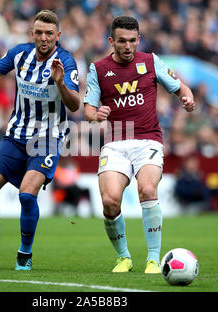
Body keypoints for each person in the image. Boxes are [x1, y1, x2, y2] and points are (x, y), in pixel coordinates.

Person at [0, 10, 80, 271]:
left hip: (46, 139)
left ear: (57, 35)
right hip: (15, 136)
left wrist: (60, 84)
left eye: (49, 33)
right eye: (39, 32)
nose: (44, 38)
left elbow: (74, 105)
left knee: (27, 194)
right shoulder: (19, 53)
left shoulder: (66, 62)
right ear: (32, 34)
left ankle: (24, 253)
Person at [83, 16, 194, 274]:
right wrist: (94, 114)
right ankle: (124, 257)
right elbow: (87, 109)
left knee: (146, 188)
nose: (128, 46)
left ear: (138, 40)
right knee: (110, 201)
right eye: (122, 41)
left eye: (133, 41)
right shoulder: (97, 69)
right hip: (115, 142)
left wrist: (187, 99)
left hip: (148, 139)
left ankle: (153, 259)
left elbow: (181, 88)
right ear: (111, 41)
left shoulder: (151, 61)